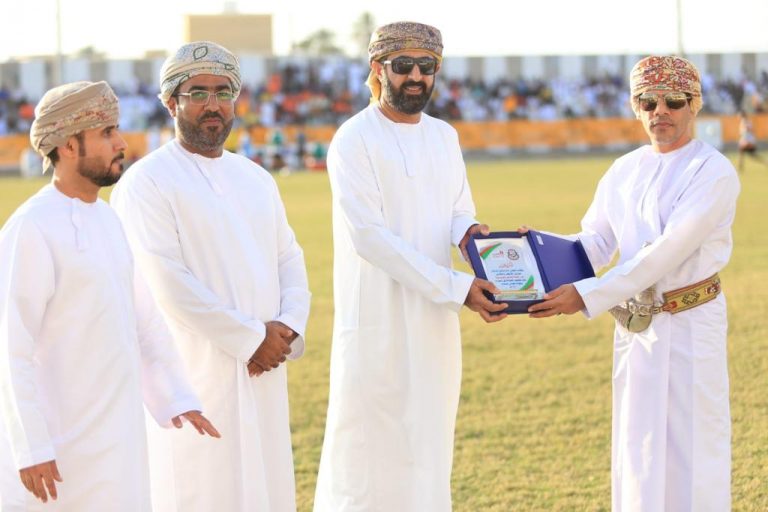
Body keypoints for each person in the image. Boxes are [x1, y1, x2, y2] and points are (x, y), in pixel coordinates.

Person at [527, 56, 740, 511]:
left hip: (690, 321)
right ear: (634, 106)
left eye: (673, 100)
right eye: (648, 101)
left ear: (694, 105)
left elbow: (666, 251)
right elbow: (595, 242)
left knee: (693, 444)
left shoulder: (712, 170)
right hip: (634, 326)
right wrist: (533, 254)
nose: (660, 110)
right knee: (637, 442)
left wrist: (587, 295)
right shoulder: (624, 170)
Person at [313, 22, 507, 512]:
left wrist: (473, 238)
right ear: (378, 70)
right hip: (377, 319)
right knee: (368, 446)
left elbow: (458, 210)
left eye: (427, 66)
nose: (416, 77)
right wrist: (457, 287)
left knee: (429, 438)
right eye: (403, 65)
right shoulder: (354, 138)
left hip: (434, 319)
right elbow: (369, 237)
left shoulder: (444, 136)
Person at [110, 42, 311, 512]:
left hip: (265, 365)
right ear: (170, 102)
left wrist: (287, 327)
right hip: (195, 370)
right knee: (201, 488)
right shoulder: (146, 182)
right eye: (198, 93)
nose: (213, 104)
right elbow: (167, 283)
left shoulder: (256, 177)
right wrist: (250, 338)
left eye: (224, 92)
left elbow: (289, 258)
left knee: (266, 484)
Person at [0, 81, 219, 511]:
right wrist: (30, 445)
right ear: (68, 145)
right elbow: (10, 347)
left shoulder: (108, 219)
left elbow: (144, 322)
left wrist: (177, 396)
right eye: (106, 132)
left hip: (118, 433)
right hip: (58, 443)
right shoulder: (31, 228)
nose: (121, 143)